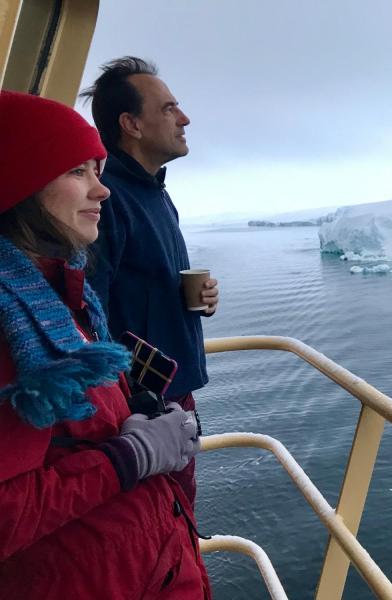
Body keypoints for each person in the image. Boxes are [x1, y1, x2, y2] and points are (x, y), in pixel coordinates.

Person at [0, 90, 212, 599]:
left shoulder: (57, 294)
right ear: (20, 182)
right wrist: (131, 454)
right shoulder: (11, 323)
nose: (103, 191)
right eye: (78, 171)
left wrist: (134, 413)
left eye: (98, 170)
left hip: (138, 562)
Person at [81, 57, 219, 505]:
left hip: (169, 396)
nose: (184, 118)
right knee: (163, 524)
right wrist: (129, 410)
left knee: (174, 521)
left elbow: (140, 285)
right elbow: (87, 314)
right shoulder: (106, 200)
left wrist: (197, 298)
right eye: (168, 108)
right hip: (141, 410)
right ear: (131, 124)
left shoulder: (155, 192)